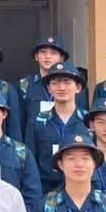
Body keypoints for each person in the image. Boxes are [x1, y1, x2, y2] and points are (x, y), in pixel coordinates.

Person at [24, 61, 91, 196]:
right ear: (49, 88)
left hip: (80, 190)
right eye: (55, 83)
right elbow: (30, 160)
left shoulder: (88, 121)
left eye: (67, 82)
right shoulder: (37, 121)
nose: (61, 88)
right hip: (46, 189)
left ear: (78, 87)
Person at [18, 35, 89, 124]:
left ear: (62, 58)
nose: (48, 56)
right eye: (43, 52)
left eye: (54, 53)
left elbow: (82, 117)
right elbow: (21, 119)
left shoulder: (74, 84)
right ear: (36, 56)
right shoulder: (25, 84)